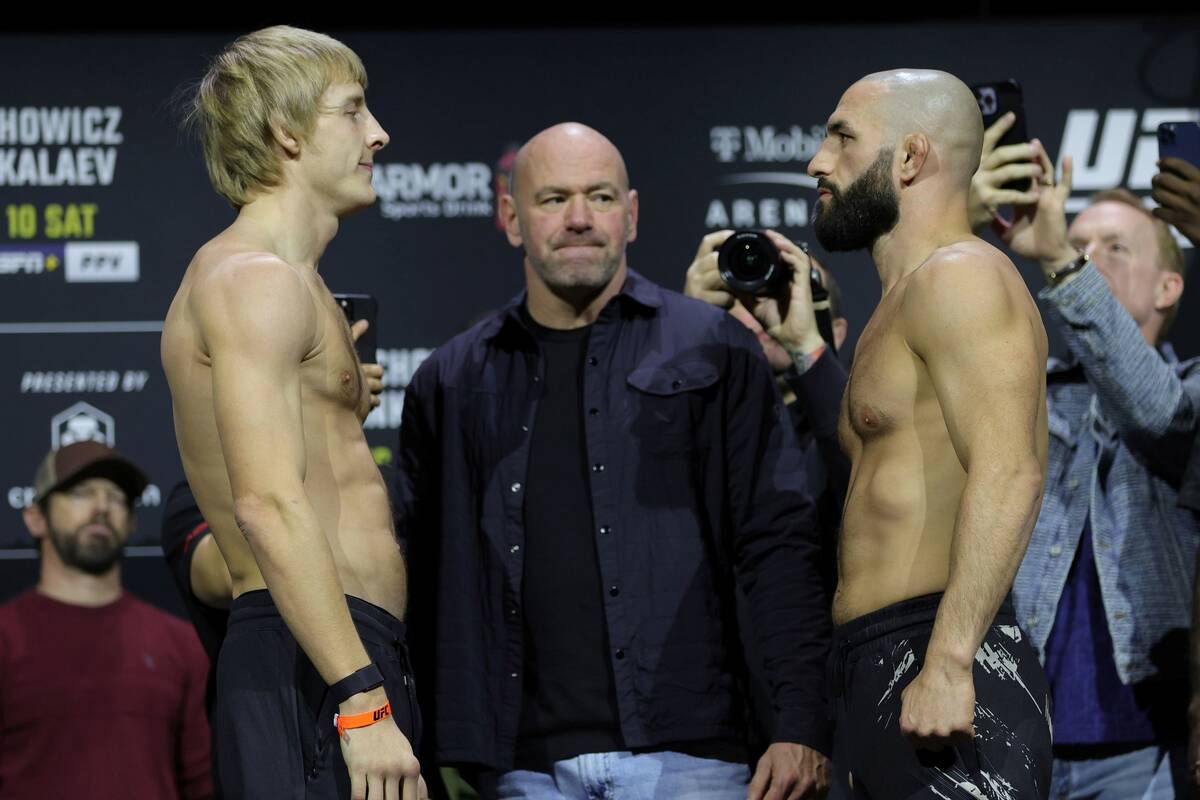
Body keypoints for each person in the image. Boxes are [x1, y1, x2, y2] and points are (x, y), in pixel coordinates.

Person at [399, 122, 832, 800]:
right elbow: (423, 581)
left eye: (599, 197)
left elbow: (777, 544)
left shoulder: (714, 349)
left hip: (693, 755)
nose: (579, 219)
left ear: (630, 216)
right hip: (521, 768)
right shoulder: (450, 380)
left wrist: (801, 720)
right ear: (511, 218)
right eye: (553, 200)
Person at [161, 25, 425, 800]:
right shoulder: (254, 279)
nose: (378, 132)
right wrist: (361, 703)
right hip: (315, 666)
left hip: (338, 656)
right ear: (287, 133)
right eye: (353, 110)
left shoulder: (289, 280)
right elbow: (269, 504)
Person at [808, 69, 1053, 798]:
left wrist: (948, 659)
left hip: (947, 658)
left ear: (911, 158)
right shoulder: (899, 303)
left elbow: (1011, 471)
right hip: (878, 662)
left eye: (842, 137)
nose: (817, 161)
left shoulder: (962, 277)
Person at [972, 111, 1197, 798]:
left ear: (1170, 288)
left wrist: (1060, 261)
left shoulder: (1189, 390)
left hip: (1143, 747)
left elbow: (1153, 411)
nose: (1090, 260)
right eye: (1080, 245)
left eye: (1114, 249)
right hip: (1012, 739)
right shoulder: (1022, 391)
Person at [0, 441, 212, 800]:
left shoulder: (181, 645)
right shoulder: (6, 638)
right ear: (36, 517)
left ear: (130, 523)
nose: (101, 507)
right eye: (81, 493)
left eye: (116, 497)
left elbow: (201, 786)